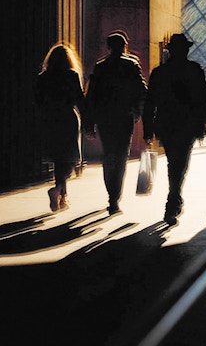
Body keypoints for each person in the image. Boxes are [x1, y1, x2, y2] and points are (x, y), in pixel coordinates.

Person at [142, 33, 206, 225]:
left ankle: (174, 198)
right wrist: (204, 121)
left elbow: (150, 103)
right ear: (186, 50)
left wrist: (148, 128)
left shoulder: (159, 72)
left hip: (166, 124)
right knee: (180, 163)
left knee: (174, 161)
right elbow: (204, 98)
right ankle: (174, 198)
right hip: (187, 124)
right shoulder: (194, 70)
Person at [84, 30, 147, 214]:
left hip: (105, 118)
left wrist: (90, 123)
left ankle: (111, 193)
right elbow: (142, 91)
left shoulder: (100, 67)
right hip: (124, 117)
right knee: (120, 157)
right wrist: (138, 111)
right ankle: (115, 197)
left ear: (108, 47)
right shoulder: (132, 65)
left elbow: (92, 97)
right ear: (125, 46)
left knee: (108, 155)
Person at [35, 42, 85, 213]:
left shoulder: (43, 77)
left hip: (50, 118)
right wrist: (88, 118)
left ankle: (63, 196)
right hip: (67, 117)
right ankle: (57, 190)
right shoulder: (71, 75)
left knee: (58, 158)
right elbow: (79, 99)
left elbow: (38, 101)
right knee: (69, 158)